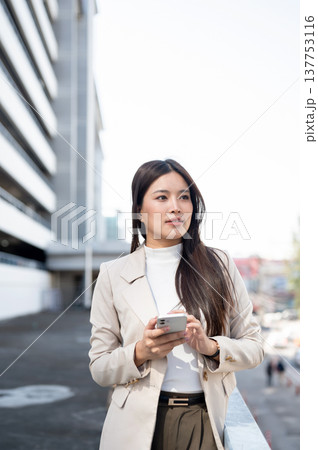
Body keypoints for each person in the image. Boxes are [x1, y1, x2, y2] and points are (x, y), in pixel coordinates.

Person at [88, 159, 264, 450]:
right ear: (139, 213)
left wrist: (211, 347)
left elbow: (255, 347)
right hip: (134, 425)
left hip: (204, 421)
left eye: (184, 197)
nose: (176, 207)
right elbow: (100, 367)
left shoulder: (219, 265)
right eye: (162, 197)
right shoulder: (112, 274)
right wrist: (141, 351)